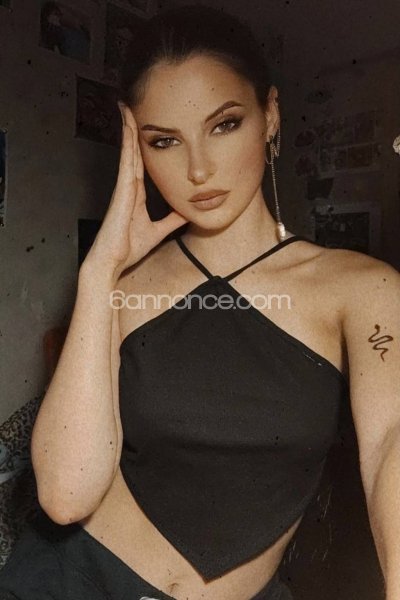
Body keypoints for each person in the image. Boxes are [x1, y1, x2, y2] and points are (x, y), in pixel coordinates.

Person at [1, 5, 399, 600]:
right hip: (70, 582)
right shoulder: (121, 282)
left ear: (270, 115)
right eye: (164, 141)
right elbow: (64, 496)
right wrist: (100, 274)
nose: (198, 169)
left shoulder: (363, 287)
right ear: (136, 147)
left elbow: (392, 442)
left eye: (224, 125)